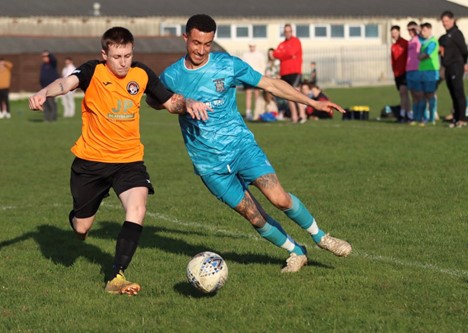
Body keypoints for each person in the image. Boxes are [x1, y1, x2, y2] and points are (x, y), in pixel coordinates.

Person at [149, 14, 352, 274]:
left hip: (241, 147)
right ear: (185, 38)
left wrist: (313, 103)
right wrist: (178, 103)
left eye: (208, 44)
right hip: (209, 164)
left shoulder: (228, 65)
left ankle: (321, 237)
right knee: (254, 216)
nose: (201, 50)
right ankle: (296, 251)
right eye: (196, 43)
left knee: (279, 198)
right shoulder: (172, 76)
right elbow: (154, 100)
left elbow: (271, 84)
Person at [28, 27, 209, 295]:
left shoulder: (141, 74)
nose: (123, 62)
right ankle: (81, 216)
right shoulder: (93, 71)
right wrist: (45, 92)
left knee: (137, 209)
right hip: (91, 162)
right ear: (105, 54)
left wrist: (188, 103)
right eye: (117, 56)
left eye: (127, 55)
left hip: (129, 160)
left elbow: (170, 102)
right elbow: (66, 83)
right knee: (81, 228)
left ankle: (116, 276)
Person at [273, 24, 307, 124]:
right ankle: (294, 116)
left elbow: (290, 52)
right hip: (284, 72)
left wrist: (283, 54)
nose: (287, 33)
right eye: (286, 31)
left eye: (289, 31)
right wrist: (286, 55)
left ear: (292, 32)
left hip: (295, 71)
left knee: (296, 93)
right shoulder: (282, 44)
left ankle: (302, 115)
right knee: (288, 95)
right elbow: (275, 54)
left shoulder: (296, 41)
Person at [439, 10, 468, 128]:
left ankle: (462, 119)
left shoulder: (456, 33)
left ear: (452, 20)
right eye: (443, 21)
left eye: (446, 21)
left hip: (457, 65)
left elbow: (464, 50)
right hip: (448, 67)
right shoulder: (445, 37)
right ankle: (456, 118)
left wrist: (465, 63)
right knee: (452, 93)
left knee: (458, 92)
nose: (445, 23)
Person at [416, 23, 440, 126]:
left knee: (430, 95)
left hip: (431, 71)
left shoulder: (433, 42)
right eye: (421, 30)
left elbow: (425, 55)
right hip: (423, 71)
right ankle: (424, 117)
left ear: (430, 30)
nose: (422, 32)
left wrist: (421, 55)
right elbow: (420, 54)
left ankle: (431, 118)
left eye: (424, 30)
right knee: (422, 95)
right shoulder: (424, 42)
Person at [390, 25, 410, 122]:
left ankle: (407, 113)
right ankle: (403, 114)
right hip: (397, 74)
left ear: (399, 32)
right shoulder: (393, 46)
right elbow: (393, 61)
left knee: (404, 92)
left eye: (395, 32)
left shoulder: (405, 43)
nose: (394, 34)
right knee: (402, 94)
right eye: (392, 33)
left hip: (405, 72)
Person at [241, 42, 266, 121]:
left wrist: (261, 75)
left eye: (253, 46)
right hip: (248, 77)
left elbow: (263, 65)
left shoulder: (259, 55)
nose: (252, 48)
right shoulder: (245, 55)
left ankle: (257, 111)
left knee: (257, 94)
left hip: (257, 77)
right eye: (251, 46)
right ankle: (248, 112)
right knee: (248, 94)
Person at [406, 21, 422, 125]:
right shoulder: (409, 42)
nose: (410, 31)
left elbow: (422, 33)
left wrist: (417, 28)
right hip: (409, 70)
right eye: (409, 30)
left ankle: (422, 116)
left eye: (412, 29)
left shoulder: (419, 40)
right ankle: (415, 116)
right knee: (413, 95)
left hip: (417, 70)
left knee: (419, 94)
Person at [39, 51, 60, 122]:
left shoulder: (52, 64)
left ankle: (53, 117)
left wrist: (49, 54)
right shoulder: (43, 65)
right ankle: (47, 118)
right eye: (43, 57)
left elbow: (54, 59)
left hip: (51, 87)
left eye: (46, 57)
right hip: (44, 87)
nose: (44, 58)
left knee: (51, 102)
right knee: (45, 103)